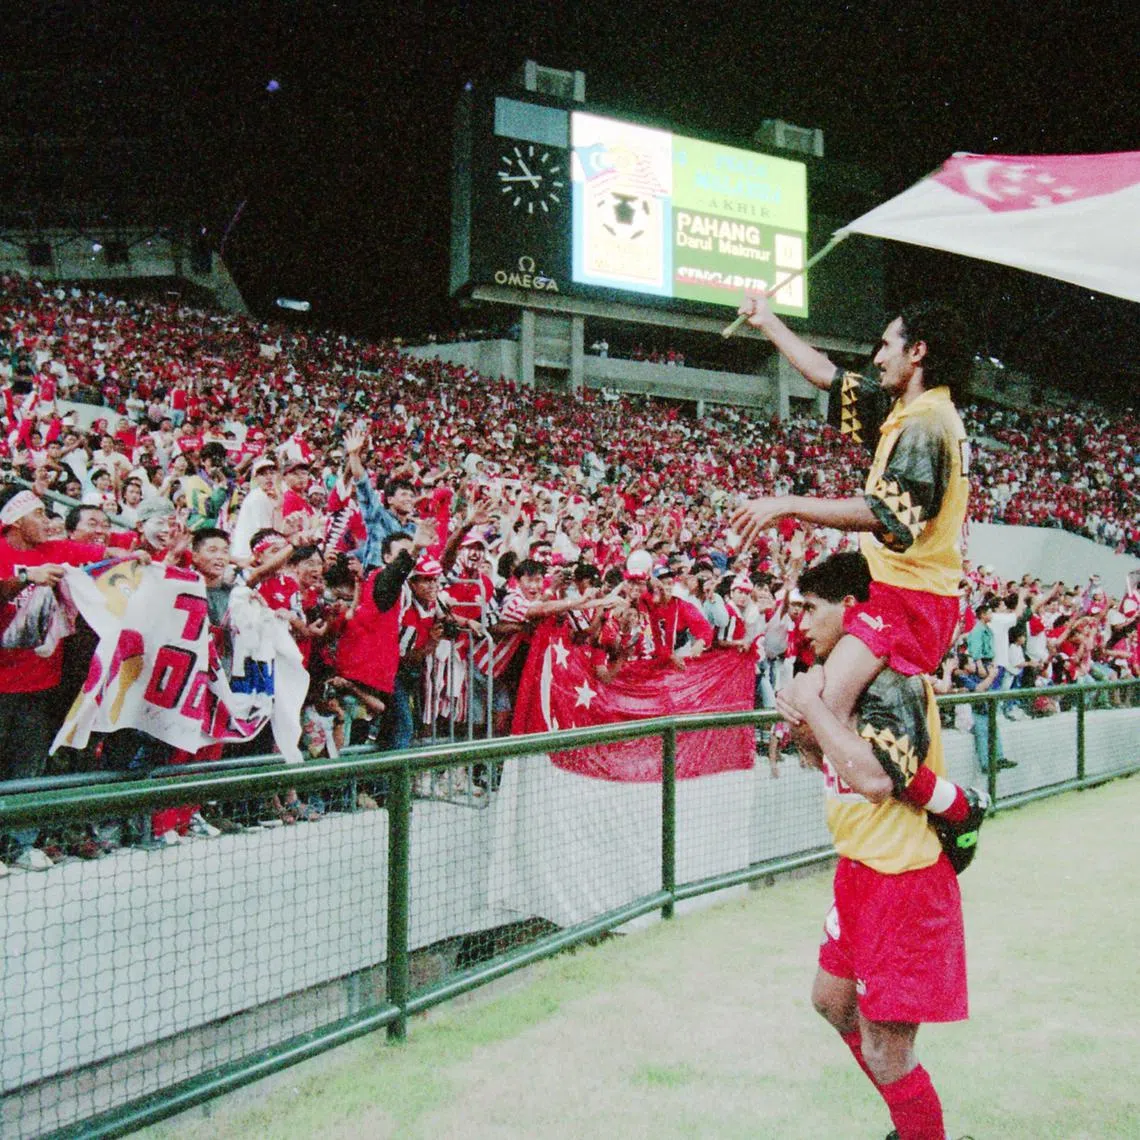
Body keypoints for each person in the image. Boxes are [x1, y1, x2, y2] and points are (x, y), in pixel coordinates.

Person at [731, 293, 975, 829]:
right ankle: (955, 807)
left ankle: (947, 814)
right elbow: (829, 376)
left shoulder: (927, 424)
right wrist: (768, 321)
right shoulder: (906, 411)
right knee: (806, 717)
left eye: (887, 345)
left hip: (912, 605)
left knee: (822, 717)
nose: (877, 357)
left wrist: (788, 503)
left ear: (919, 352)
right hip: (887, 593)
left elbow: (887, 516)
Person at [775, 552, 976, 1140]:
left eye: (812, 610)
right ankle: (911, 1127)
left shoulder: (895, 677)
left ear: (852, 608)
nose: (803, 624)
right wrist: (803, 725)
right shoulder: (839, 678)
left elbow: (874, 779)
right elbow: (824, 762)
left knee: (888, 1049)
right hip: (860, 872)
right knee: (832, 1003)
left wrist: (811, 706)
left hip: (905, 881)